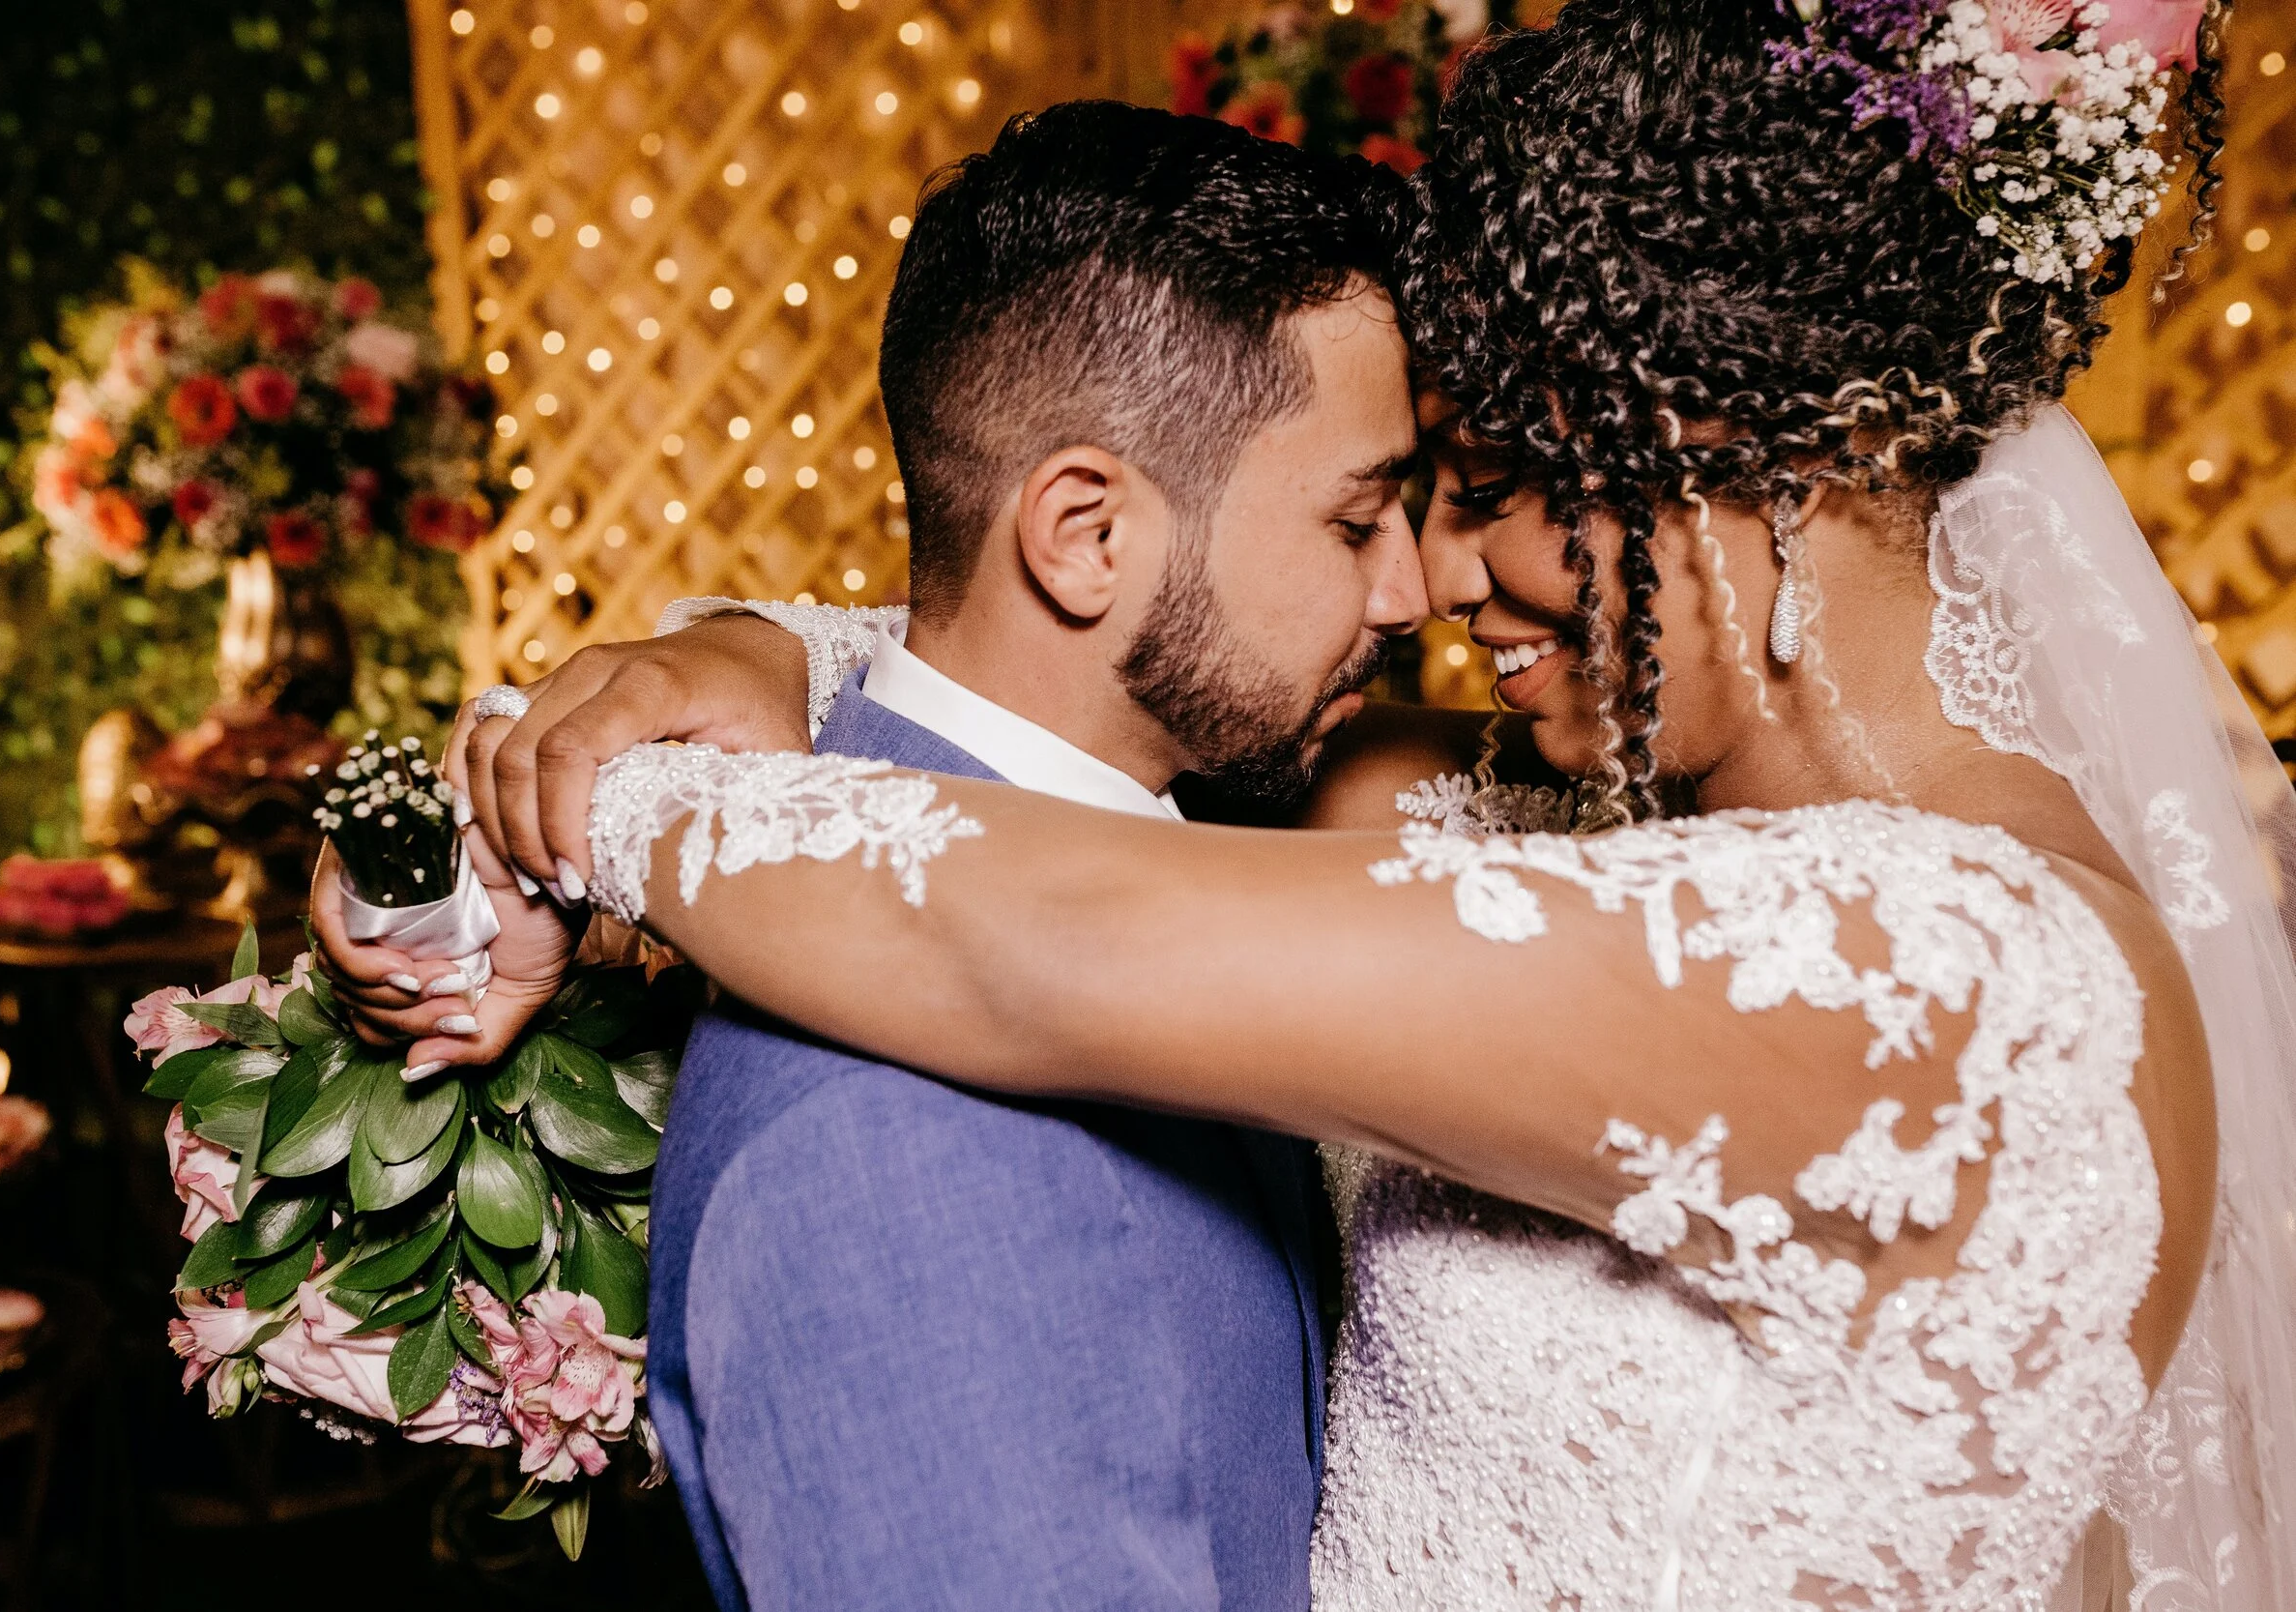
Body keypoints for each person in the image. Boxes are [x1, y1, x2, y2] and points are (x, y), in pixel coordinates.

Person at [368, 1, 2296, 1607]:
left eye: (1476, 487)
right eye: (1386, 507)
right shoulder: (1491, 811)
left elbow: (1029, 930)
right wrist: (727, 661)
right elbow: (1099, 651)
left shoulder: (1956, 973)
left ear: (1730, 457)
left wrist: (582, 804)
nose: (1434, 584)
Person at [318, 101, 1490, 1609]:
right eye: (1358, 517)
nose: (1413, 590)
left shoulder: (1196, 821)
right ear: (1082, 535)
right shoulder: (884, 1151)